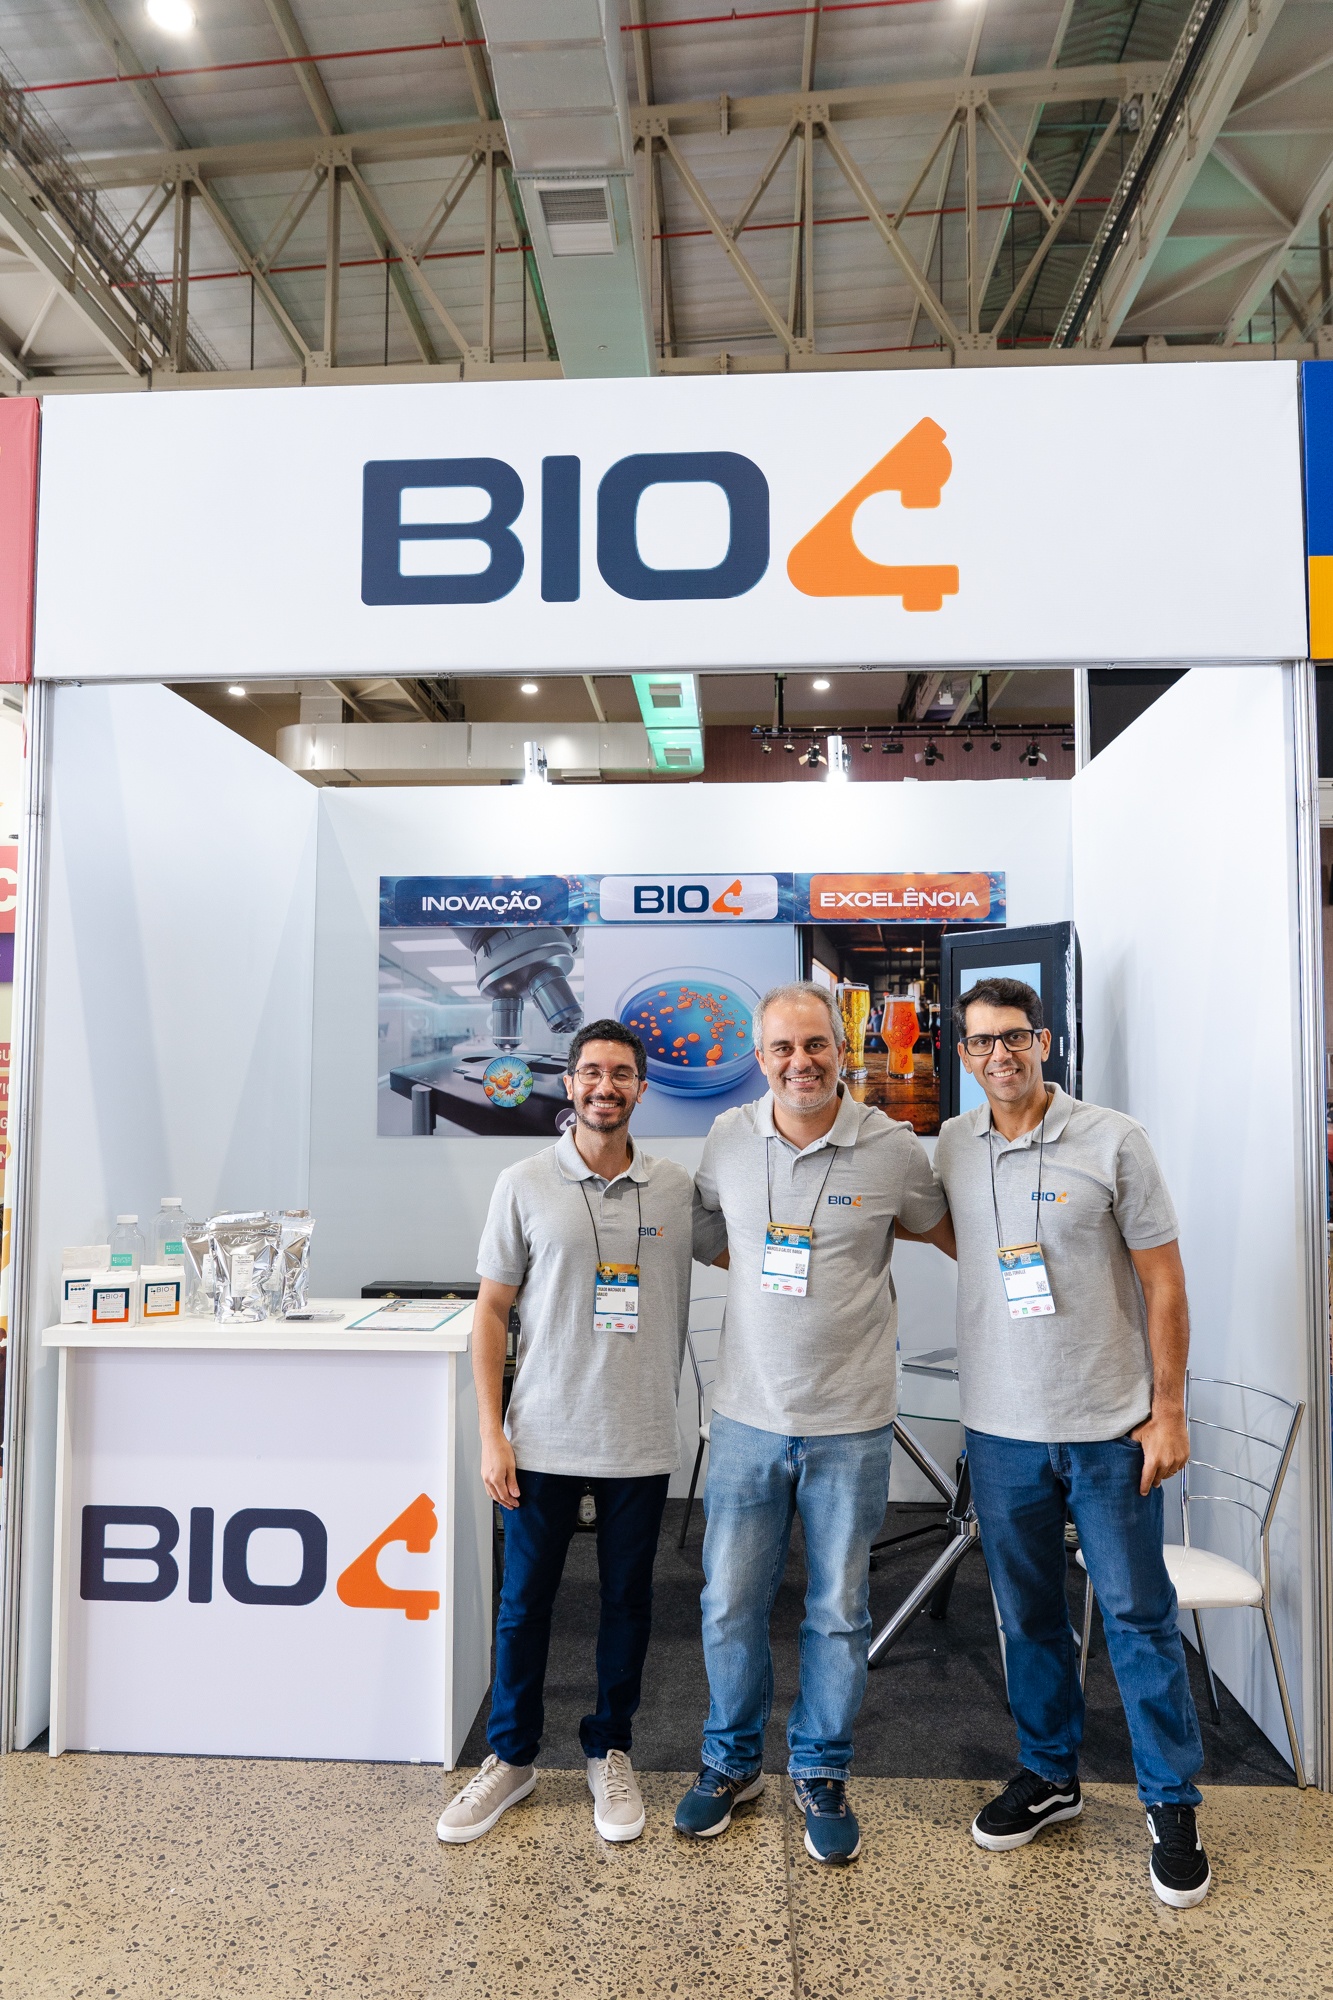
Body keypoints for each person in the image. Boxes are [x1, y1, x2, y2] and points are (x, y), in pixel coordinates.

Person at [934, 976, 1209, 1910]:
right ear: (963, 1054)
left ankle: (1171, 1802)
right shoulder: (953, 1145)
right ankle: (1050, 1775)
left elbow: (1163, 1281)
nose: (999, 1055)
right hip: (1001, 1431)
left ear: (1042, 1041)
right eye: (981, 1042)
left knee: (1136, 1617)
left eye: (1014, 1036)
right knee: (1029, 1619)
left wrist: (1166, 1410)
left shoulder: (1112, 1140)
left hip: (1107, 1431)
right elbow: (956, 1236)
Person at [675, 981, 954, 1865]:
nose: (800, 1063)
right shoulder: (726, 1138)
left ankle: (820, 1768)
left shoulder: (891, 1147)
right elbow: (707, 1230)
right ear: (759, 1058)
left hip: (851, 1422)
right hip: (747, 1418)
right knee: (729, 1603)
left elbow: (946, 1230)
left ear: (842, 1048)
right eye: (781, 1049)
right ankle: (730, 1762)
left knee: (837, 1609)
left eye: (815, 1045)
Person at [436, 1018, 695, 1847]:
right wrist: (491, 1433)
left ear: (641, 1087)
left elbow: (759, 1249)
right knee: (523, 1607)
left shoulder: (678, 1189)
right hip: (541, 1433)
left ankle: (608, 1748)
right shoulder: (522, 1182)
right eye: (590, 1072)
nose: (603, 1087)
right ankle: (510, 1758)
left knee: (627, 1603)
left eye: (620, 1073)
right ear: (570, 1082)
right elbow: (490, 1311)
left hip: (639, 1433)